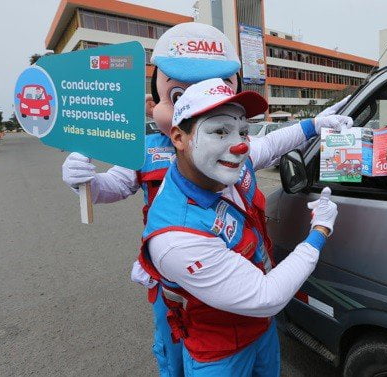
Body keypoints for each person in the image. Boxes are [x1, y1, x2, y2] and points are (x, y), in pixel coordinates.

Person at [62, 23, 244, 377]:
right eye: (178, 97)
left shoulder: (238, 145)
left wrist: (319, 128)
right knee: (173, 349)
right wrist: (84, 181)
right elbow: (112, 186)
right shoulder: (147, 150)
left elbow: (278, 144)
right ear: (154, 103)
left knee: (233, 346)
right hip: (172, 279)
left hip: (231, 267)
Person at [138, 77, 348, 377]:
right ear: (178, 137)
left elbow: (273, 142)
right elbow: (267, 297)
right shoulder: (176, 236)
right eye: (219, 131)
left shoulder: (225, 166)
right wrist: (320, 231)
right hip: (220, 353)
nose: (238, 145)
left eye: (243, 131)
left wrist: (315, 124)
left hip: (260, 331)